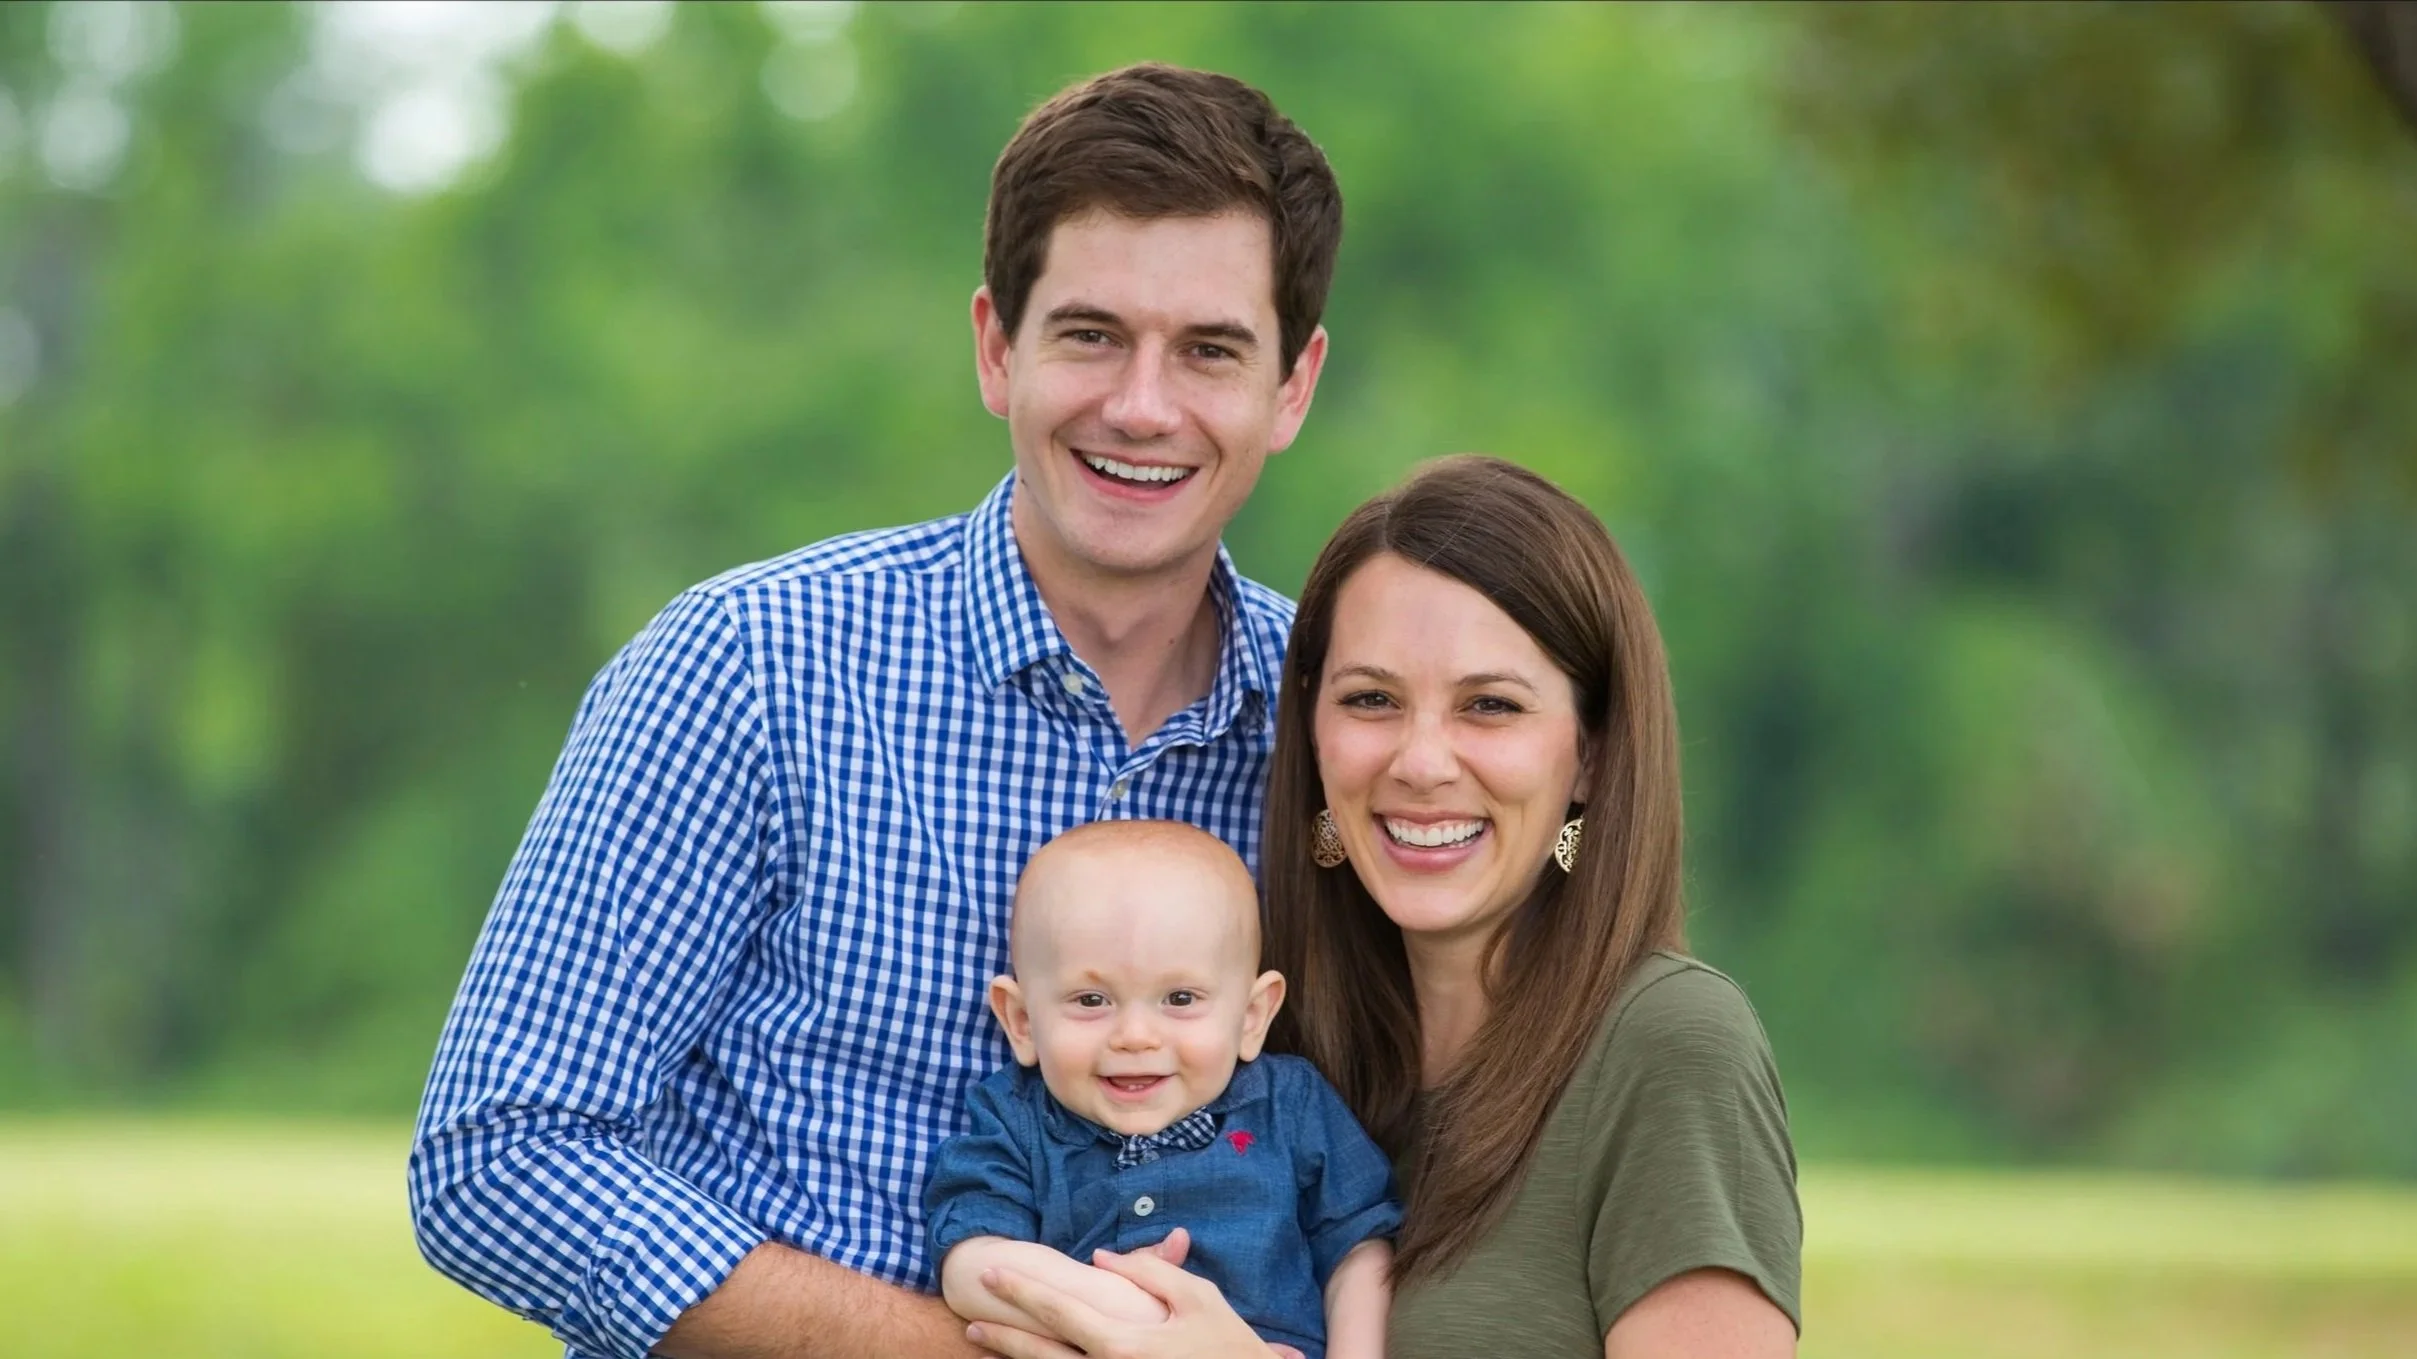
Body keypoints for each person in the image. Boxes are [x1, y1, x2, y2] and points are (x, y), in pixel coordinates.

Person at [408, 63, 1339, 1359]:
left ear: (1291, 386)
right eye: (1088, 334)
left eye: (1209, 349)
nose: (1141, 403)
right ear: (995, 347)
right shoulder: (749, 666)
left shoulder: (1343, 734)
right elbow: (498, 1152)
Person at [966, 456, 1803, 1359]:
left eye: (1489, 705)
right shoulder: (1275, 1055)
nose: (1421, 762)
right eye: (1371, 699)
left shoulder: (1670, 1044)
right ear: (1312, 733)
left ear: (1590, 757)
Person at [925, 819, 1397, 1359]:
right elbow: (971, 1265)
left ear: (1251, 1016)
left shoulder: (1287, 1104)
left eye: (1179, 999)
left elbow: (1360, 1244)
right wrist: (1146, 1322)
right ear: (1023, 1022)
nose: (1135, 1037)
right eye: (1090, 1000)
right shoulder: (1018, 1117)